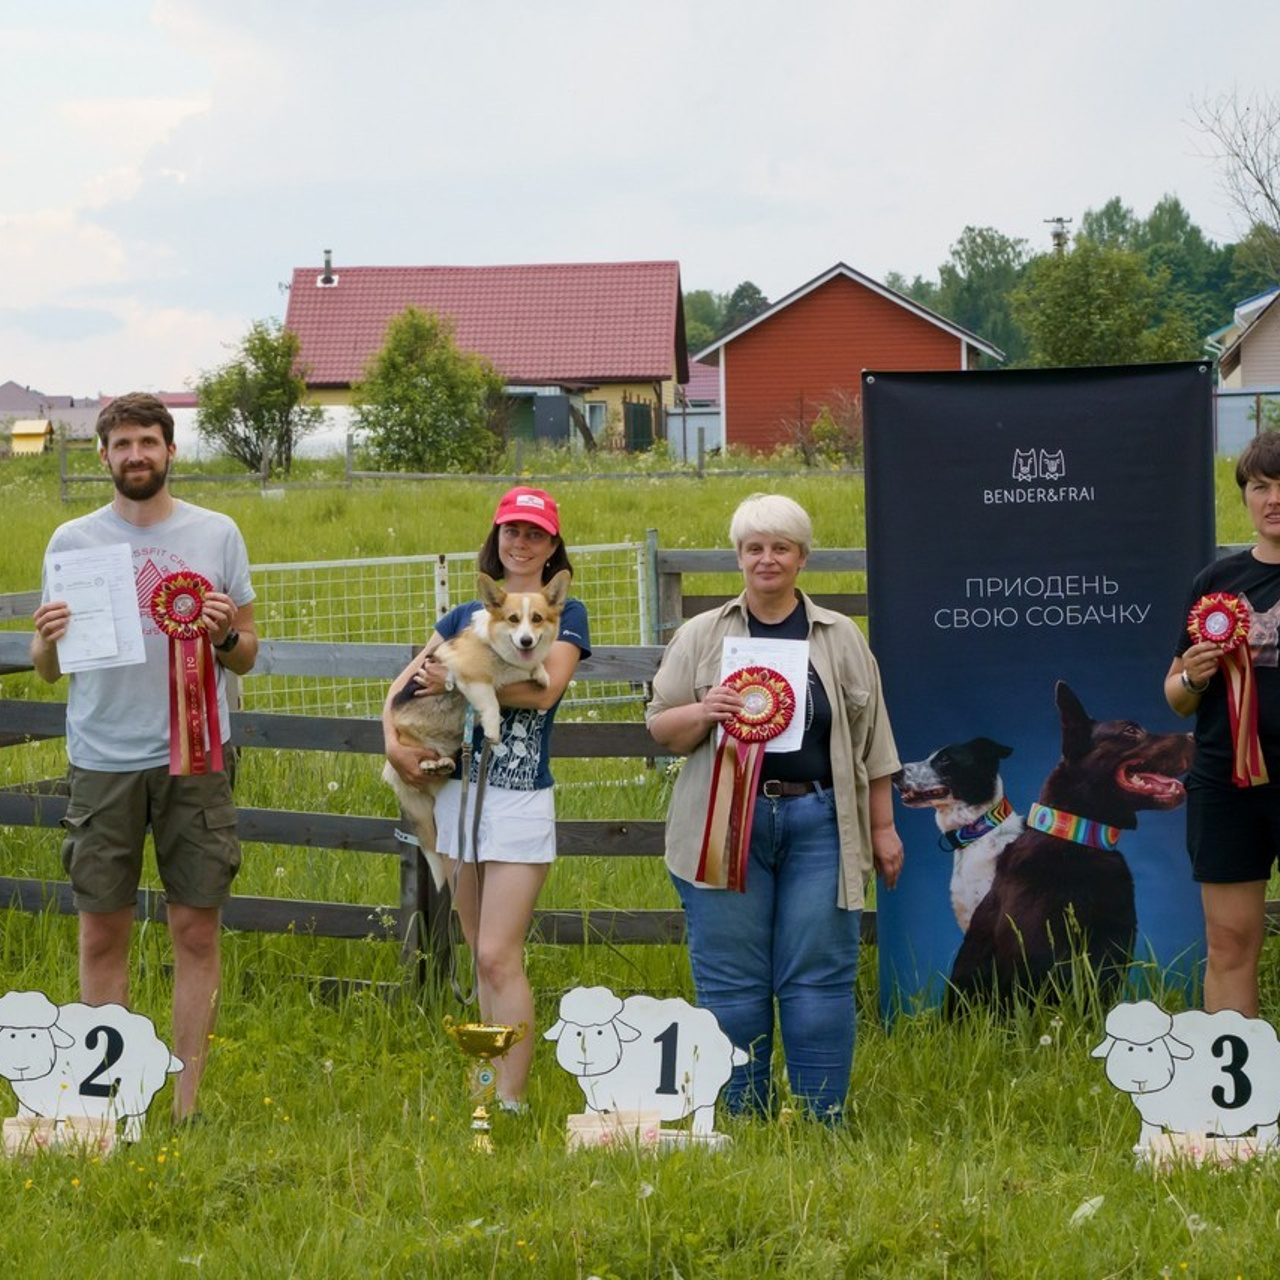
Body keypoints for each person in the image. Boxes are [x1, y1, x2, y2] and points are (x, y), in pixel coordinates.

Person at [30, 393, 258, 1122]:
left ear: (171, 451)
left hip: (195, 756)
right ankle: (106, 1100)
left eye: (149, 442)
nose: (136, 455)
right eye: (122, 444)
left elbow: (247, 655)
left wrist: (222, 634)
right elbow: (47, 668)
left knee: (195, 928)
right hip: (103, 758)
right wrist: (45, 637)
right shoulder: (71, 541)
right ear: (103, 456)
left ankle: (186, 1105)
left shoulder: (216, 533)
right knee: (102, 927)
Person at [647, 493, 903, 1122]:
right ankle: (740, 1116)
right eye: (754, 547)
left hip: (820, 825)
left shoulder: (841, 637)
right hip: (721, 825)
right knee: (732, 984)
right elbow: (661, 729)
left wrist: (884, 826)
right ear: (738, 556)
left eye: (780, 548)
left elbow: (874, 742)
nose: (767, 559)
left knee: (818, 978)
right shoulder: (700, 635)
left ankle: (821, 1119)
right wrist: (706, 711)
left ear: (802, 558)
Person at [382, 487, 590, 1108]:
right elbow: (400, 691)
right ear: (496, 537)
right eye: (511, 531)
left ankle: (513, 1099)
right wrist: (392, 744)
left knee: (500, 953)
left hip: (519, 799)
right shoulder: (463, 618)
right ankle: (487, 1088)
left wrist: (463, 679)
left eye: (534, 534)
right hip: (455, 794)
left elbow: (544, 692)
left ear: (552, 546)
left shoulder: (564, 613)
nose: (521, 543)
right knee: (478, 952)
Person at [1166, 430, 1280, 1016]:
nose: (1273, 499)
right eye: (1260, 486)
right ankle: (1235, 1104)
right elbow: (1176, 698)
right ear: (1245, 497)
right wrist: (1195, 674)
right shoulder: (1214, 585)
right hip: (1225, 785)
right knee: (1229, 943)